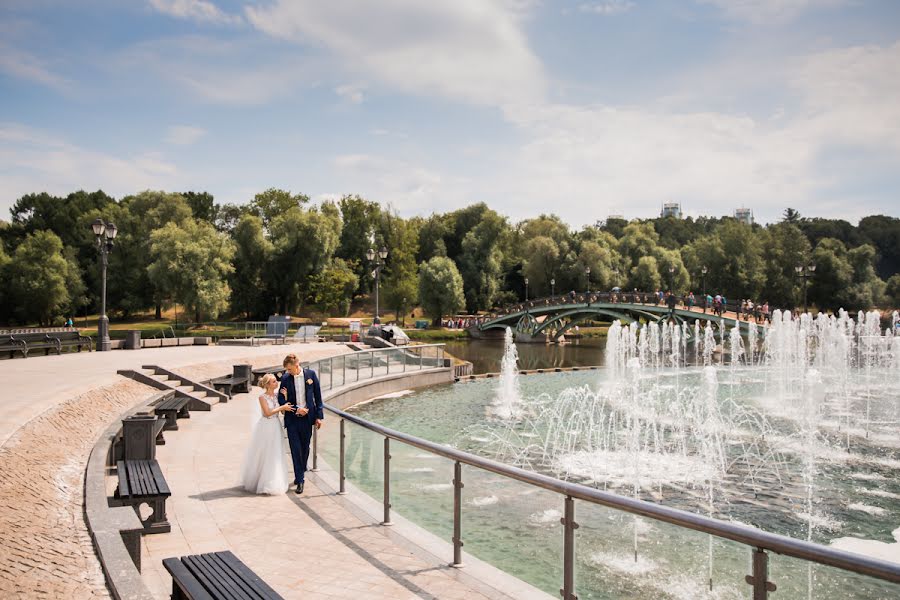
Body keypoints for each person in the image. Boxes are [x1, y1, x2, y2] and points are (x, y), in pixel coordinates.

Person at [239, 374, 294, 495]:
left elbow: (284, 412)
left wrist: (285, 398)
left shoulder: (277, 396)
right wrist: (282, 407)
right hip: (266, 426)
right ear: (268, 384)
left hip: (276, 426)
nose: (277, 383)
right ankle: (263, 481)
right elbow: (267, 413)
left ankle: (274, 480)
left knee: (276, 453)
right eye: (274, 381)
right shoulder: (262, 397)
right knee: (265, 453)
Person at [278, 353, 324, 494]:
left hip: (308, 419)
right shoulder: (285, 378)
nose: (288, 372)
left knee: (305, 447)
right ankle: (300, 479)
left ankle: (301, 469)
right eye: (287, 370)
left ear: (297, 365)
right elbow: (280, 399)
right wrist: (298, 409)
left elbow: (318, 396)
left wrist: (319, 416)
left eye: (290, 369)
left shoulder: (311, 375)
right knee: (295, 448)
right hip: (292, 419)